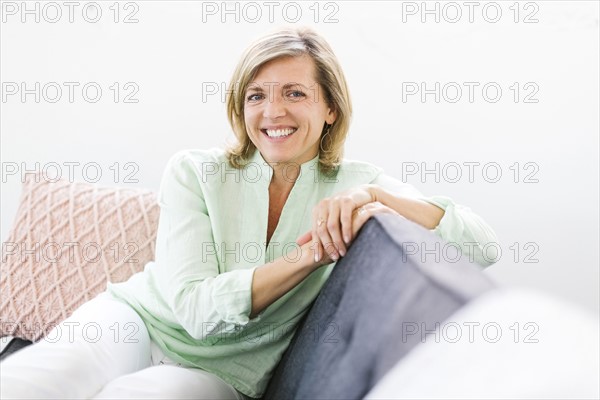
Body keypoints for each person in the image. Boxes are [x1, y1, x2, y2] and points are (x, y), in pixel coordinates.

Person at [0, 26, 498, 399]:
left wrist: (376, 198)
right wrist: (310, 256)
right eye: (256, 96)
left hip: (225, 373)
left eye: (294, 93)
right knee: (48, 375)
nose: (271, 112)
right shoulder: (194, 171)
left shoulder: (355, 182)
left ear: (330, 109)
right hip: (139, 320)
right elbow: (194, 312)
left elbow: (480, 245)